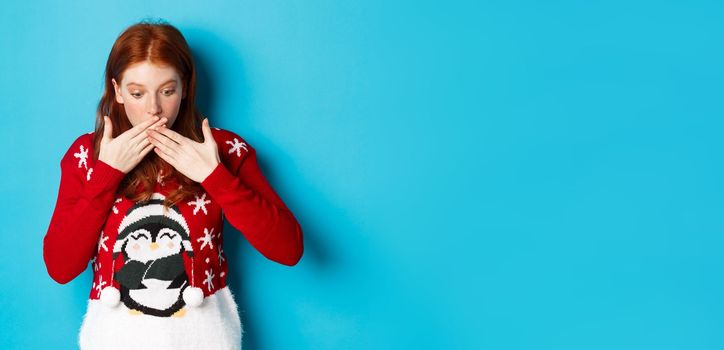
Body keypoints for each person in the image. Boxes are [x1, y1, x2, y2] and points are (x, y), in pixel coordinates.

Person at [42, 19, 304, 350]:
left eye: (167, 91)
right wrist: (107, 174)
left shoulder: (222, 149)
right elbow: (60, 267)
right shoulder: (88, 154)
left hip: (204, 338)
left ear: (186, 87)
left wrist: (215, 177)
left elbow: (289, 249)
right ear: (117, 90)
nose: (153, 108)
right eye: (137, 92)